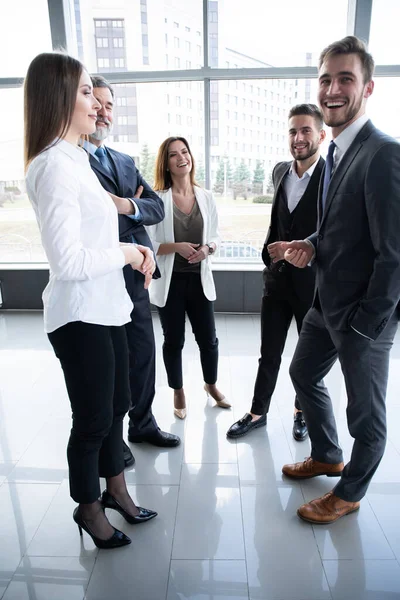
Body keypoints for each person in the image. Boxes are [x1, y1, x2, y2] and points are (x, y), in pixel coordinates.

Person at [24, 52, 157, 549]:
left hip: (106, 307)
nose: (96, 106)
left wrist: (135, 250)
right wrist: (128, 250)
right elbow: (69, 262)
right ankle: (89, 507)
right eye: (85, 93)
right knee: (94, 419)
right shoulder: (54, 166)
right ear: (59, 98)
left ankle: (117, 489)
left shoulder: (76, 157)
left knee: (119, 403)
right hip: (79, 314)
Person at [268, 36, 400, 524]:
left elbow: (395, 254)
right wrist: (311, 244)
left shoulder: (384, 153)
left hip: (363, 316)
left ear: (368, 88)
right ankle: (326, 453)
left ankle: (349, 490)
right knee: (303, 373)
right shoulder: (338, 152)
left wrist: (368, 326)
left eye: (346, 78)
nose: (333, 89)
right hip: (328, 304)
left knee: (366, 418)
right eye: (326, 78)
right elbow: (343, 224)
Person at [86, 76, 180, 463]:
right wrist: (132, 210)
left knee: (142, 351)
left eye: (110, 105)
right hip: (101, 274)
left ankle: (142, 423)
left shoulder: (123, 161)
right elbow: (90, 218)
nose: (104, 112)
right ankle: (113, 439)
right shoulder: (73, 162)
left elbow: (156, 208)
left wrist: (124, 205)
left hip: (136, 276)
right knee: (110, 361)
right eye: (97, 103)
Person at [227, 104, 325, 442]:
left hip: (311, 285)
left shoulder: (332, 177)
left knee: (306, 358)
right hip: (276, 280)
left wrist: (295, 249)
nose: (298, 138)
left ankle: (302, 412)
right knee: (268, 352)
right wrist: (274, 254)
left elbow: (335, 232)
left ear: (321, 135)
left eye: (306, 131)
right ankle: (258, 412)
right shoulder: (280, 170)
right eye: (293, 131)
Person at [146, 136, 229, 419]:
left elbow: (216, 236)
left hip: (199, 281)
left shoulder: (205, 197)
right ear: (166, 164)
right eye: (173, 154)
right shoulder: (157, 200)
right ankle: (178, 390)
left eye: (185, 152)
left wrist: (208, 248)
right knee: (174, 341)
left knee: (209, 340)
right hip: (170, 284)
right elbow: (149, 244)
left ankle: (211, 385)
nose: (181, 157)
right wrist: (176, 247)